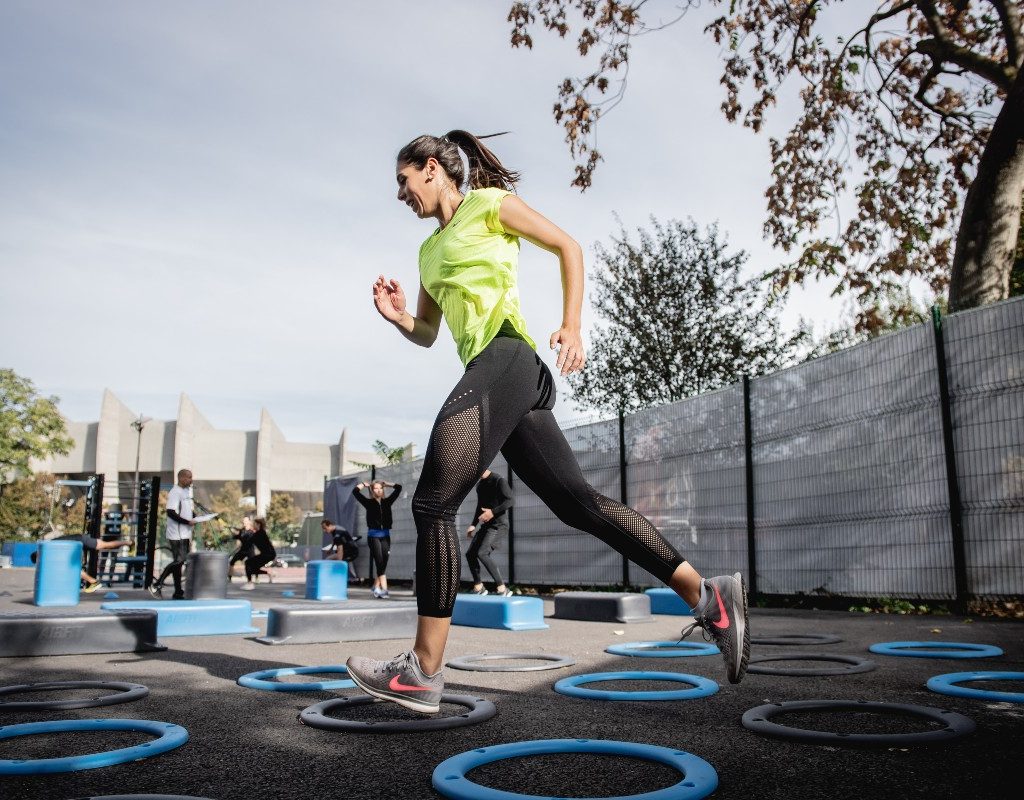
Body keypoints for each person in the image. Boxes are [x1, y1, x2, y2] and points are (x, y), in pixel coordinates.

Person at [345, 130, 750, 715]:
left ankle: (422, 672)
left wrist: (571, 324)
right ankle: (709, 597)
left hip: (508, 357)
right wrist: (400, 315)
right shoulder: (427, 253)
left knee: (433, 503)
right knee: (577, 504)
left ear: (431, 169)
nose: (401, 194)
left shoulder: (487, 206)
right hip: (499, 378)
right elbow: (431, 333)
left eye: (403, 181)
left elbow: (568, 247)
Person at [149, 468, 209, 600]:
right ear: (181, 478)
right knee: (179, 560)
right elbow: (170, 512)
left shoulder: (185, 492)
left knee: (179, 562)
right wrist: (186, 522)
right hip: (177, 533)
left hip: (185, 533)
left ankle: (178, 592)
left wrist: (195, 517)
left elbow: (186, 510)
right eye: (188, 477)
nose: (191, 480)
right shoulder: (175, 492)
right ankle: (157, 584)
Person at [465, 469, 514, 596]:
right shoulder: (480, 485)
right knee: (470, 554)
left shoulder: (499, 480)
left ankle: (502, 588)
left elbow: (510, 500)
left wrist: (492, 512)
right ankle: (479, 587)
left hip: (499, 525)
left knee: (482, 553)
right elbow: (479, 506)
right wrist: (473, 525)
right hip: (486, 526)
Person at [36, 531, 135, 593]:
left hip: (81, 541)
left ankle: (94, 582)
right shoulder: (48, 546)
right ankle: (129, 543)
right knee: (105, 545)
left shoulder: (48, 550)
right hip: (80, 540)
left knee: (105, 545)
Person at [352, 480, 402, 599]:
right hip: (373, 536)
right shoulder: (368, 503)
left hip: (385, 535)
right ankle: (384, 589)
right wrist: (364, 485)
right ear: (372, 490)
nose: (378, 490)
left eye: (380, 488)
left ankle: (375, 586)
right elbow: (355, 491)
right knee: (379, 562)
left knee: (384, 562)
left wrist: (387, 483)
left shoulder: (387, 502)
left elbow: (398, 487)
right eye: (376, 488)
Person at [240, 517, 275, 590]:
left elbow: (250, 540)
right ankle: (269, 573)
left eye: (254, 524)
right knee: (252, 568)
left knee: (248, 563)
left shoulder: (261, 533)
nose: (253, 525)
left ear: (258, 524)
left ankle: (250, 583)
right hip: (268, 554)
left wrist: (244, 538)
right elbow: (250, 540)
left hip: (268, 554)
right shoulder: (259, 533)